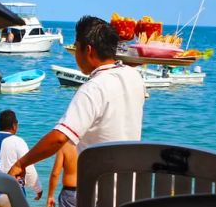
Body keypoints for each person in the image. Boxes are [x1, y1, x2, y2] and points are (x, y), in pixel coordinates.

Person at [9, 16, 146, 180]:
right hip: (130, 187)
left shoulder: (92, 88)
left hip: (99, 190)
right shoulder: (135, 78)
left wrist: (21, 163)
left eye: (76, 47)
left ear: (88, 50)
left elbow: (59, 139)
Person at [46, 142, 78, 207]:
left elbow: (55, 174)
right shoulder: (92, 144)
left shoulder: (65, 146)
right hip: (91, 190)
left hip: (70, 192)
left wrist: (50, 196)